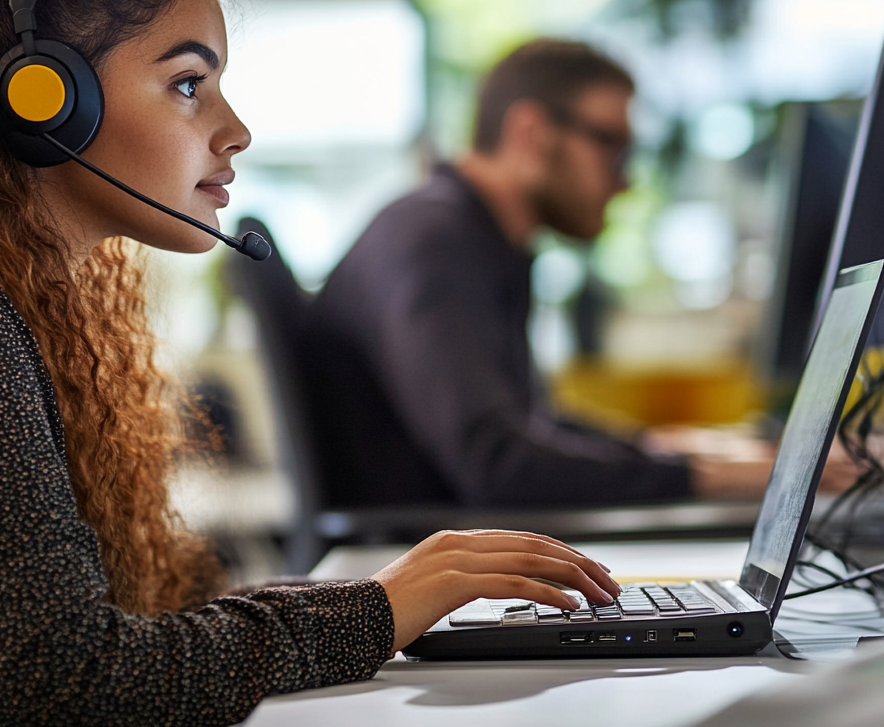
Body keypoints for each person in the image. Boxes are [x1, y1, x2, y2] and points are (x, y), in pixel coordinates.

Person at [0, 0, 620, 725]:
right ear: (43, 101)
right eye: (188, 84)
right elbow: (70, 684)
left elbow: (119, 633)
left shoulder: (17, 308)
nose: (236, 131)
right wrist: (377, 609)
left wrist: (383, 595)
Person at [306, 40, 736, 509]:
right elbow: (498, 463)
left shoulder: (473, 237)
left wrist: (657, 450)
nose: (626, 181)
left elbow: (526, 426)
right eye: (613, 146)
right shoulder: (435, 244)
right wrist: (705, 476)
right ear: (531, 133)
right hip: (414, 552)